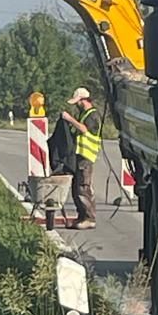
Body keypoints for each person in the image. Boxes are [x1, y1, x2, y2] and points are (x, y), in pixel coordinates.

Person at [61, 87, 101, 230]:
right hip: (80, 155)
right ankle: (82, 216)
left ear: (83, 100)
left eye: (78, 102)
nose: (77, 105)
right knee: (77, 188)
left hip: (86, 156)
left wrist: (69, 119)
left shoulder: (93, 115)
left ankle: (89, 218)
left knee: (83, 187)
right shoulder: (84, 114)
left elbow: (84, 129)